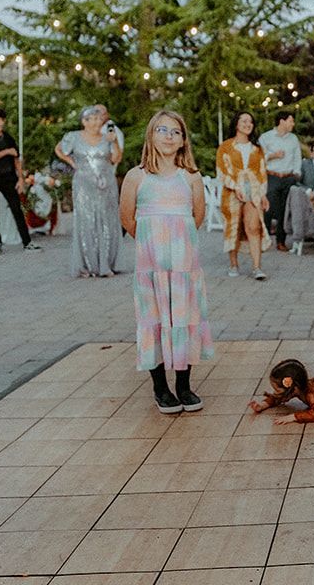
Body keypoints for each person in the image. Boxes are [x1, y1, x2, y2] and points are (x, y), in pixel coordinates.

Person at [119, 111, 213, 414]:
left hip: (184, 265)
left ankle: (184, 385)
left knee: (184, 318)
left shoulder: (191, 177)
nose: (169, 136)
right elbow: (127, 219)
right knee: (154, 320)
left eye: (175, 131)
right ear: (151, 135)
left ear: (184, 140)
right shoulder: (137, 176)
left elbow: (197, 216)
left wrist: (177, 240)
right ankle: (160, 387)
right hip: (151, 266)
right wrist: (153, 241)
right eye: (162, 130)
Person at [55, 105, 122, 277]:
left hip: (106, 183)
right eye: (91, 119)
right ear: (84, 121)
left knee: (107, 221)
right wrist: (71, 162)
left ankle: (106, 263)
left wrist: (114, 141)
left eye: (98, 119)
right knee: (86, 220)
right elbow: (59, 149)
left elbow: (116, 159)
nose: (95, 122)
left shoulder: (107, 138)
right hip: (84, 184)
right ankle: (88, 263)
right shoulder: (74, 137)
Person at [0, 108, 41, 254]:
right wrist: (5, 152)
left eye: (2, 120)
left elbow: (16, 158)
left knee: (17, 209)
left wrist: (20, 178)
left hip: (9, 178)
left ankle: (27, 242)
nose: (1, 123)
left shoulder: (8, 138)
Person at [216, 111, 270, 280]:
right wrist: (234, 186)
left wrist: (263, 195)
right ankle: (233, 264)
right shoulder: (225, 146)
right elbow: (221, 171)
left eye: (251, 122)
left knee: (253, 227)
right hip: (232, 191)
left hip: (253, 191)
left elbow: (262, 173)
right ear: (236, 124)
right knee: (233, 226)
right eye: (244, 121)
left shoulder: (257, 149)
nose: (248, 124)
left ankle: (257, 267)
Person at [259, 110, 301, 251]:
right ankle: (263, 240)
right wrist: (273, 155)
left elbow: (297, 158)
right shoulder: (266, 137)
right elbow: (258, 158)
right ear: (282, 121)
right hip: (271, 176)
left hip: (288, 178)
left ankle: (281, 241)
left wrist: (296, 174)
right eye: (291, 120)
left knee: (285, 210)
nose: (293, 124)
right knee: (268, 209)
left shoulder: (293, 139)